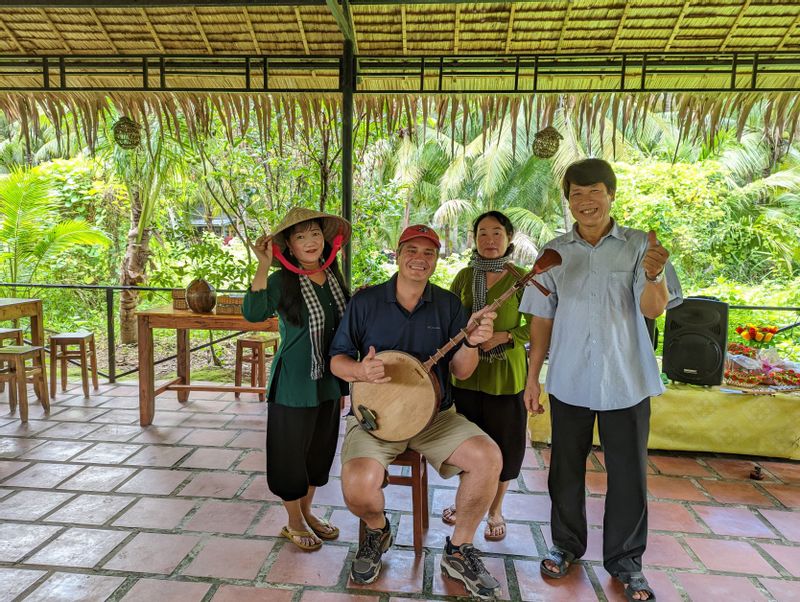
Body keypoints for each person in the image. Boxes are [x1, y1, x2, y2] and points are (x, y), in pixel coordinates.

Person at [521, 159, 682, 602]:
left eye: (594, 191)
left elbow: (654, 309)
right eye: (576, 194)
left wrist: (651, 274)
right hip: (570, 378)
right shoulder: (554, 252)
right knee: (564, 471)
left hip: (626, 379)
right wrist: (533, 378)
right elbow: (540, 319)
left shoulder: (639, 247)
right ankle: (566, 546)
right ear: (568, 200)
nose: (585, 202)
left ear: (611, 195)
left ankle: (627, 563)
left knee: (628, 474)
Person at [330, 224, 504, 601]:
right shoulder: (366, 302)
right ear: (397, 253)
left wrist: (473, 342)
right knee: (357, 487)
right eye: (412, 250)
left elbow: (462, 371)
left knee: (488, 458)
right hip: (374, 417)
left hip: (434, 418)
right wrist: (360, 371)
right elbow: (337, 361)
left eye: (429, 253)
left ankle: (459, 550)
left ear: (436, 261)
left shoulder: (447, 305)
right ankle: (378, 530)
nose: (419, 259)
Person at [243, 207, 351, 552]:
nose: (310, 241)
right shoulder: (279, 281)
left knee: (319, 454)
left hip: (328, 381)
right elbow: (253, 312)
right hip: (294, 383)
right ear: (287, 245)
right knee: (290, 455)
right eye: (300, 236)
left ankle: (307, 512)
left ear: (325, 240)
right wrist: (262, 263)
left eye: (315, 234)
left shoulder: (333, 276)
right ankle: (293, 521)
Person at [441, 211, 531, 541]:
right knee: (468, 444)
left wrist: (504, 337)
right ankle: (465, 505)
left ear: (509, 238)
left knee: (506, 444)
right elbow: (450, 317)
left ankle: (495, 509)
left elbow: (539, 324)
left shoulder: (522, 278)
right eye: (482, 234)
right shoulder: (465, 276)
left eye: (496, 233)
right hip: (467, 375)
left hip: (506, 376)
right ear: (474, 239)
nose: (489, 240)